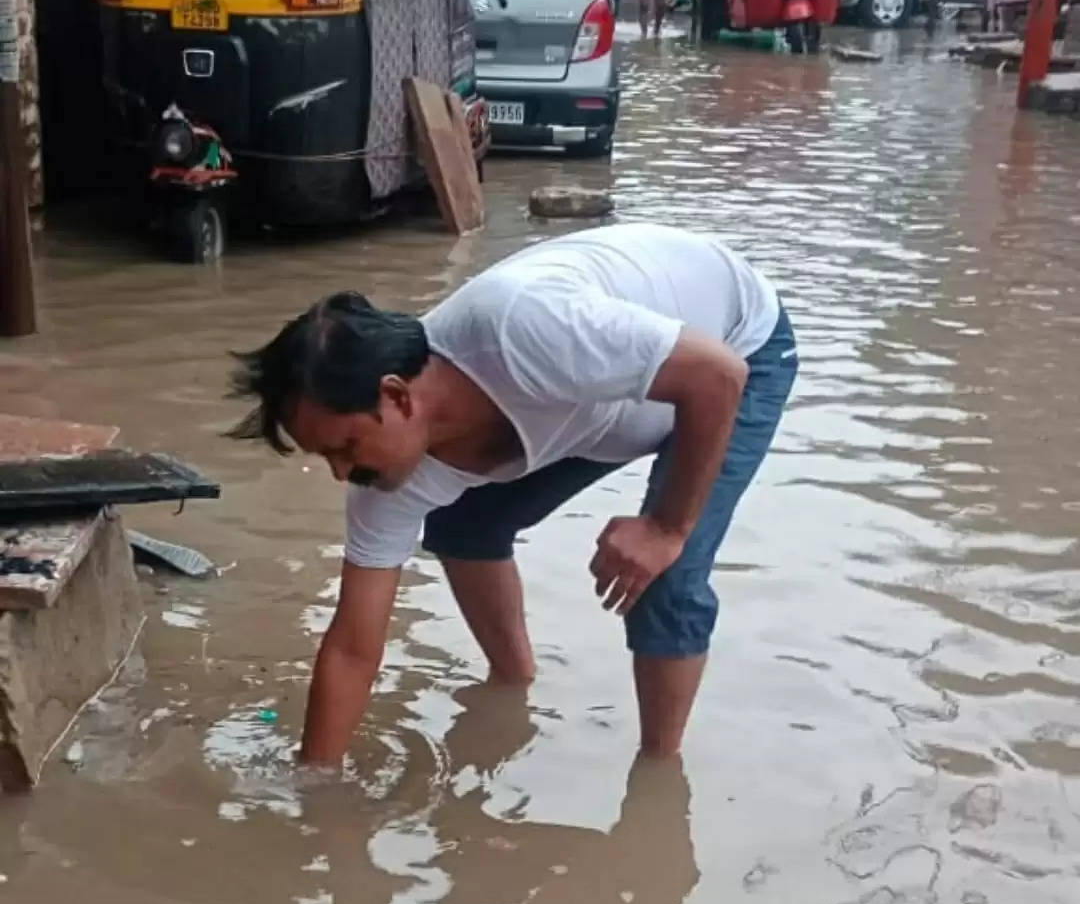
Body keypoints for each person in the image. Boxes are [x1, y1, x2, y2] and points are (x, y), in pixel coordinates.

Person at [230, 224, 798, 767]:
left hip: (735, 351)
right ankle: (513, 683)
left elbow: (716, 377)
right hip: (602, 403)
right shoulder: (382, 487)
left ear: (397, 397)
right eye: (325, 457)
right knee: (462, 525)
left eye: (345, 447)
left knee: (665, 571)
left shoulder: (528, 330)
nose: (339, 473)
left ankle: (656, 775)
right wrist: (316, 786)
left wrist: (667, 528)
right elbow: (354, 646)